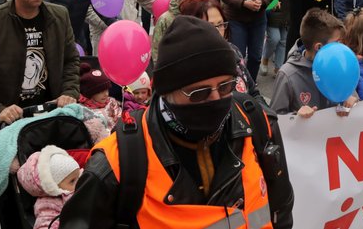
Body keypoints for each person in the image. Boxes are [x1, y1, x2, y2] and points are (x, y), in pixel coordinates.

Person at [62, 17, 295, 229]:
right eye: (199, 93)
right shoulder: (117, 164)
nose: (216, 99)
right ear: (166, 93)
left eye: (225, 87)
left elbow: (281, 208)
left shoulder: (256, 122)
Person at [272, 8, 357, 116]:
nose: (342, 47)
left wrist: (353, 100)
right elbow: (274, 119)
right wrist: (295, 116)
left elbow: (352, 96)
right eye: (337, 42)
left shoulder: (341, 64)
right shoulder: (288, 75)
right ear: (319, 47)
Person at [16, 145, 81, 229]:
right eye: (72, 181)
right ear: (54, 186)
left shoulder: (81, 183)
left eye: (79, 175)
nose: (79, 181)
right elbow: (45, 225)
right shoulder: (48, 205)